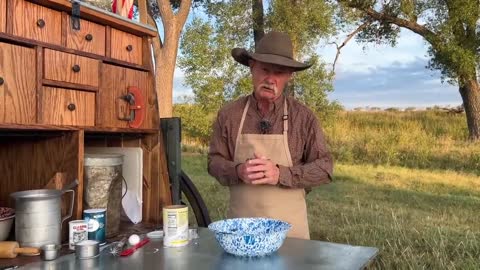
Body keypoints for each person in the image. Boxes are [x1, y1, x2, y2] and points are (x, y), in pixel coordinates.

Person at [207, 31, 333, 239]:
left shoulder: (303, 117)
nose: (271, 79)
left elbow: (325, 168)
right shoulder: (230, 114)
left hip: (292, 236)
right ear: (252, 67)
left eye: (280, 72)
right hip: (241, 233)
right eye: (265, 69)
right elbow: (213, 162)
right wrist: (238, 171)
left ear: (289, 76)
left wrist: (280, 175)